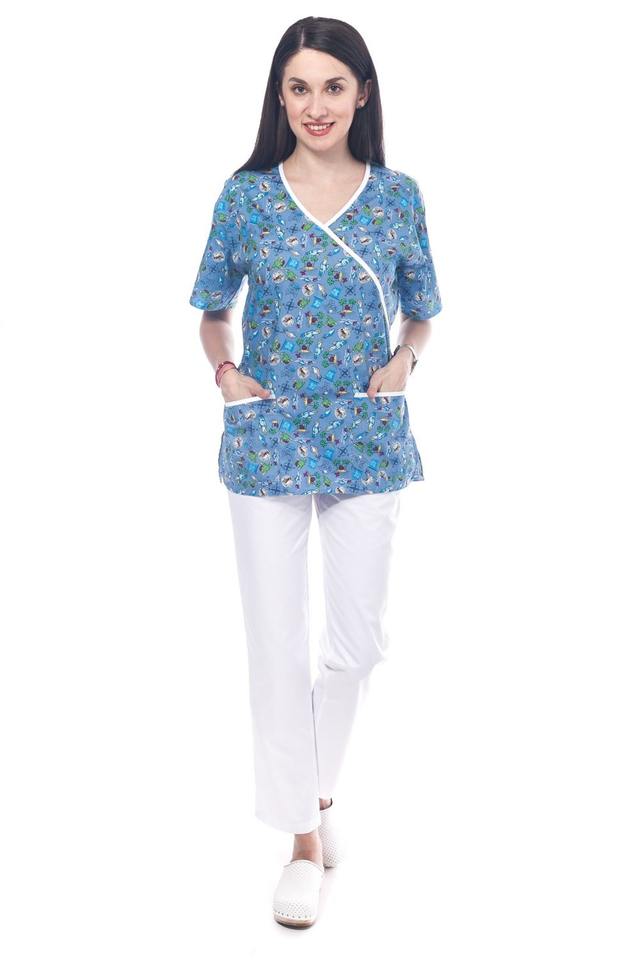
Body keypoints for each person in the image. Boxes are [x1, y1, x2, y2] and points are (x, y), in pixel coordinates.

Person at [188, 15, 443, 928]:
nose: (315, 105)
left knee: (358, 643)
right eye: (298, 87)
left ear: (362, 93)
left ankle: (314, 793)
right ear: (280, 96)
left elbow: (422, 309)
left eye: (333, 86)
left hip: (366, 436)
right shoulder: (248, 196)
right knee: (275, 643)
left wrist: (405, 362)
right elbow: (211, 309)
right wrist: (227, 374)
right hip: (268, 438)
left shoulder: (398, 195)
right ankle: (302, 842)